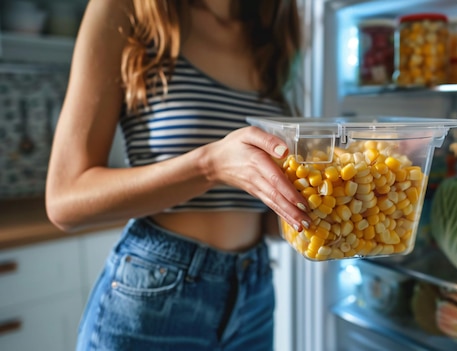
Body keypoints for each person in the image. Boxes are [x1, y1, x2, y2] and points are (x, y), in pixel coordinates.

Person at [45, 0, 309, 350]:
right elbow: (65, 200)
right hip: (155, 296)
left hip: (254, 294)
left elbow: (260, 217)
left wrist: (321, 208)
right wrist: (209, 166)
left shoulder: (269, 31)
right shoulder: (125, 9)